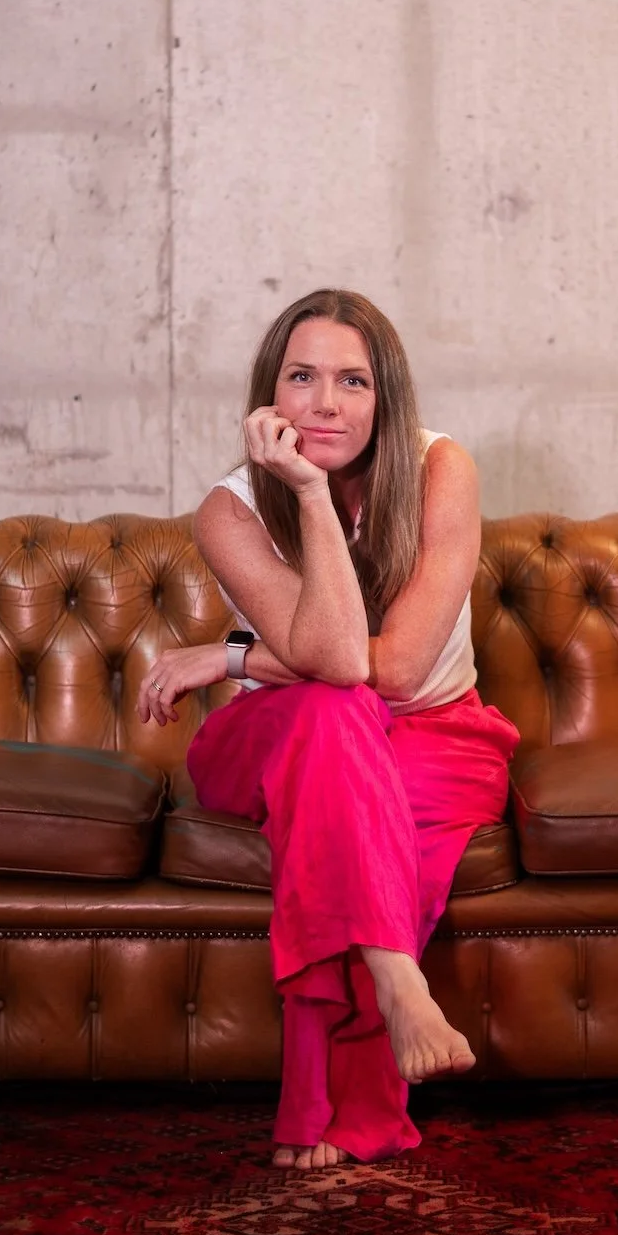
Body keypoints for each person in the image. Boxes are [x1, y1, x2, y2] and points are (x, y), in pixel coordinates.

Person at [135, 289, 520, 1170]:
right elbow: (342, 662)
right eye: (302, 377)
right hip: (275, 736)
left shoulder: (439, 470)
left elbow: (394, 670)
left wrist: (227, 655)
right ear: (270, 393)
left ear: (386, 396)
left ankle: (312, 1107)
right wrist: (306, 492)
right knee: (331, 709)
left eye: (353, 380)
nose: (325, 403)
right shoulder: (230, 507)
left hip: (433, 732)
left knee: (345, 756)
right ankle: (398, 981)